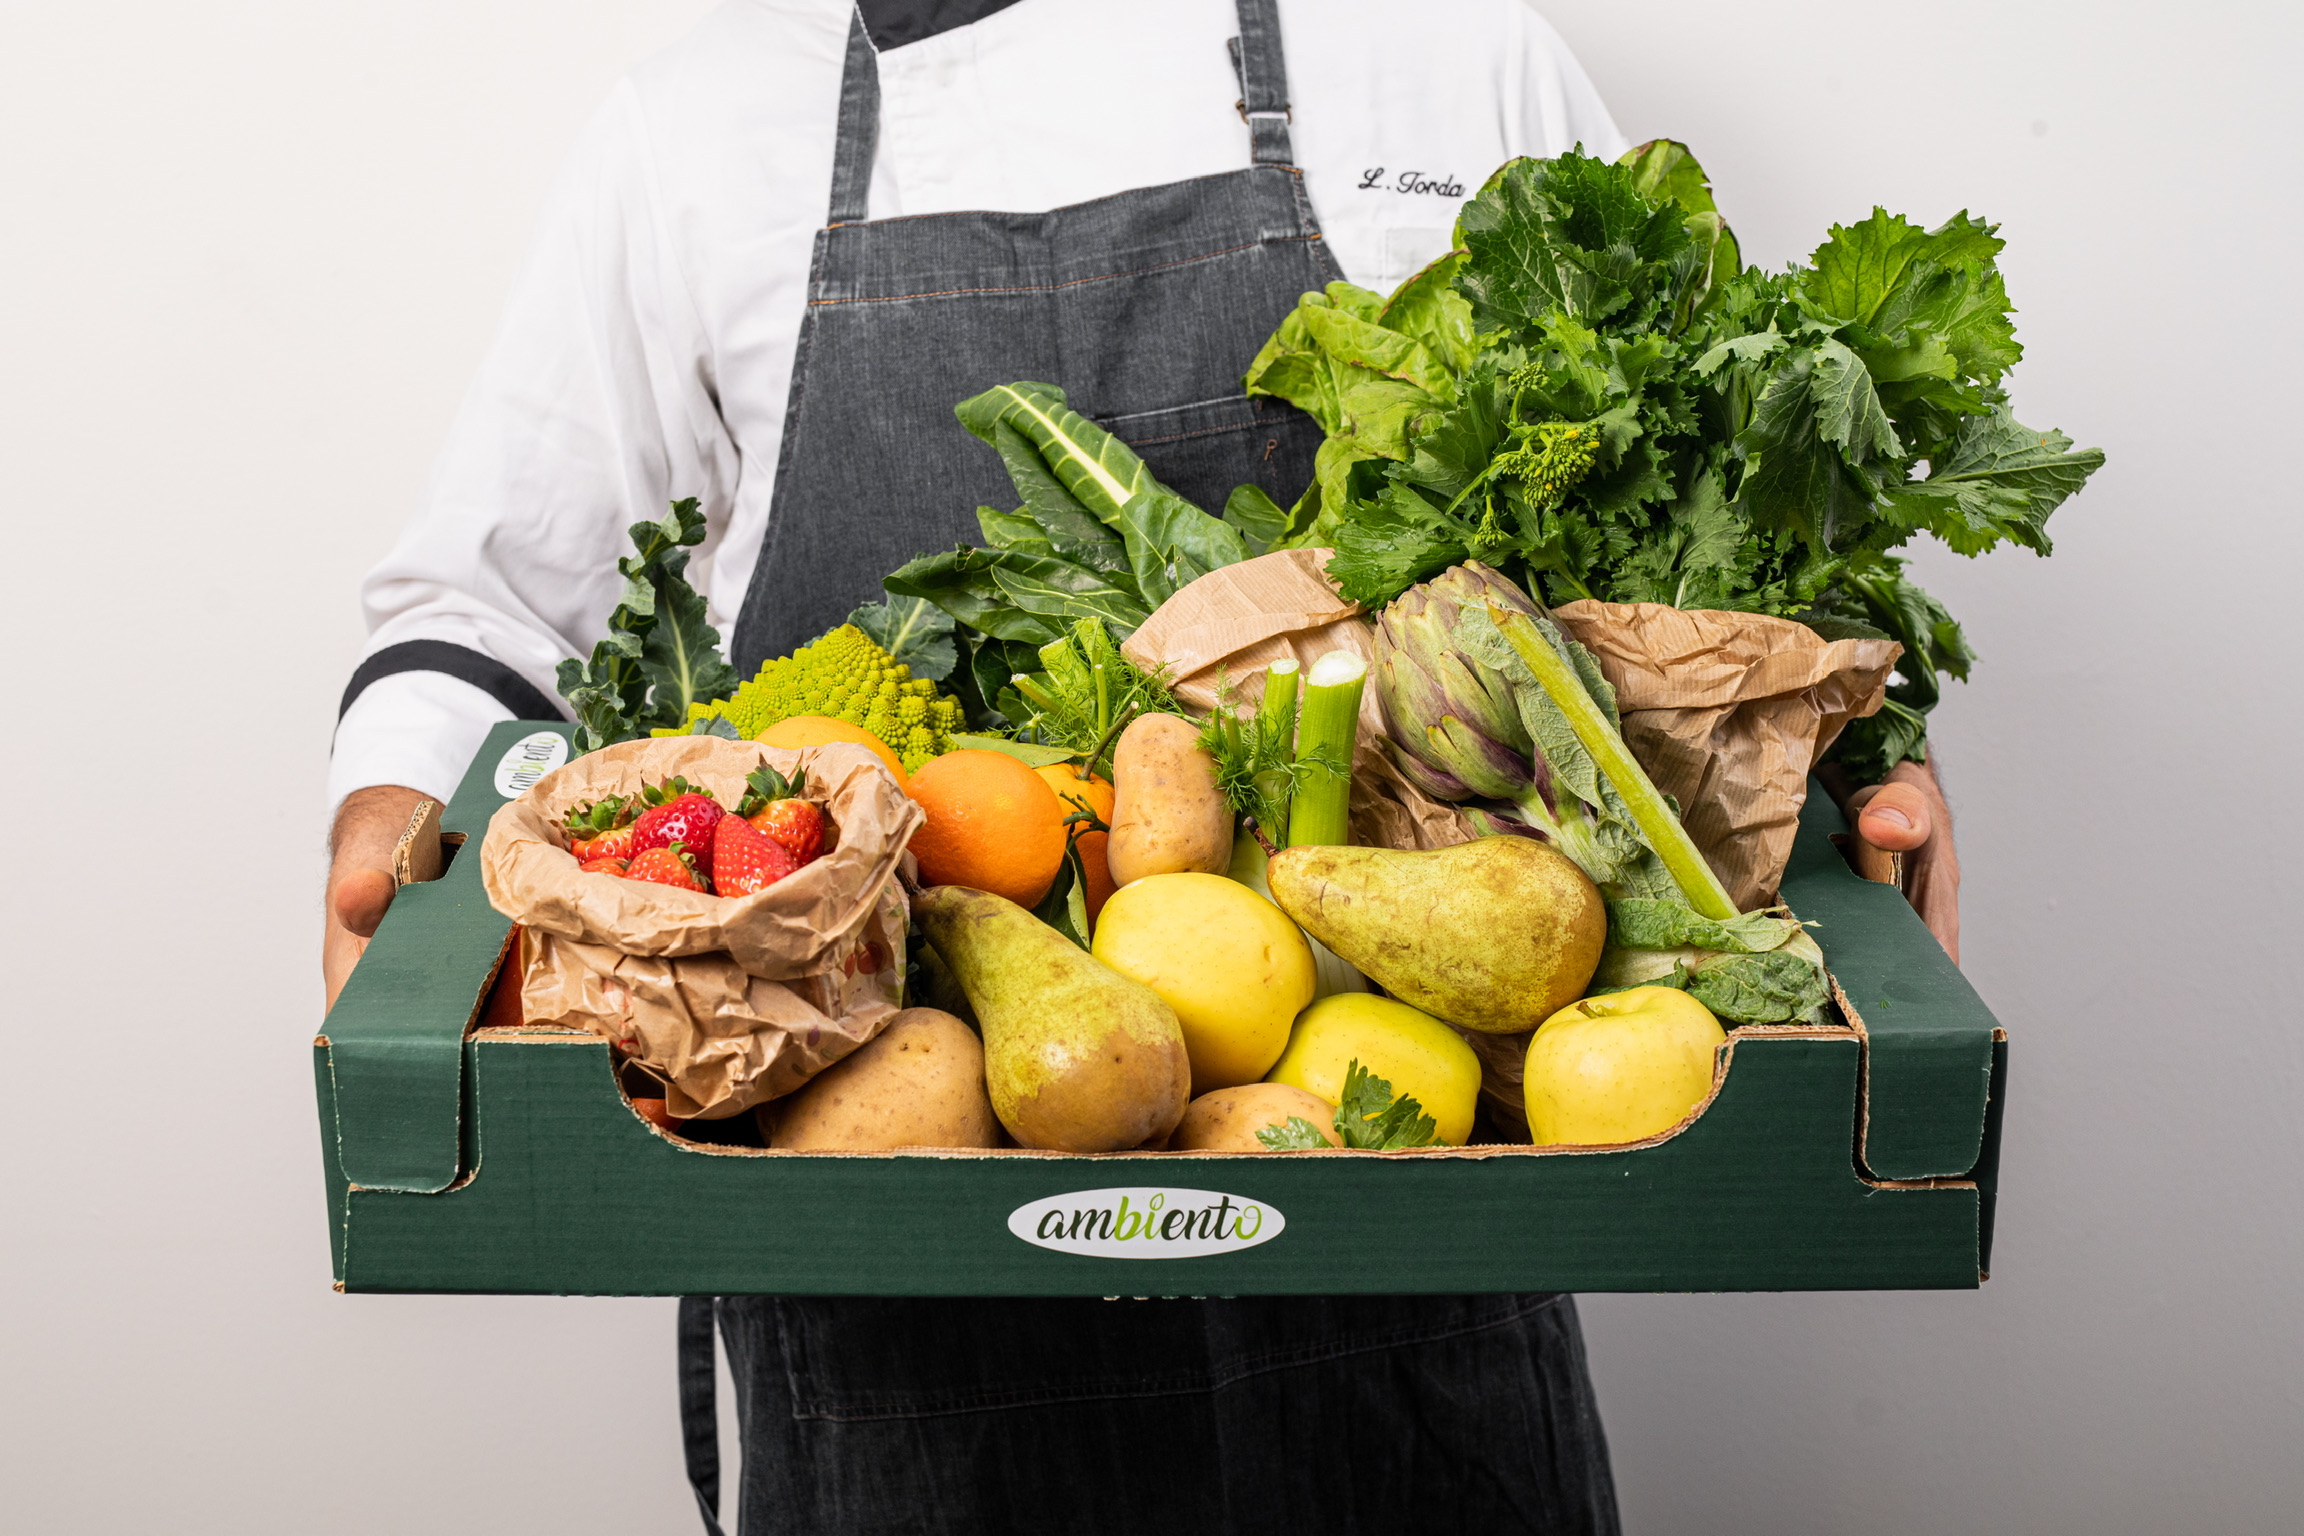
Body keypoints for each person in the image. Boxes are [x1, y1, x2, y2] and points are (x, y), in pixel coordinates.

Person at [322, 4, 1960, 1531]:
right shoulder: (701, 133)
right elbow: (495, 602)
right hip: (883, 1283)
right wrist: (394, 804)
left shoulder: (1449, 48)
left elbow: (1712, 552)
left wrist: (1863, 756)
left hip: (1418, 1223)